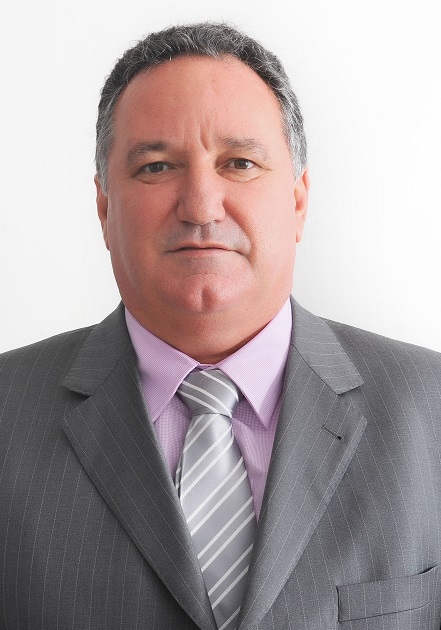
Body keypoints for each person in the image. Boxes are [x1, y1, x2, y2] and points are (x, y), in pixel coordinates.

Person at [1, 21, 440, 630]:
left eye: (240, 162)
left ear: (298, 201)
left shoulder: (431, 407)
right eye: (156, 166)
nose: (202, 206)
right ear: (103, 209)